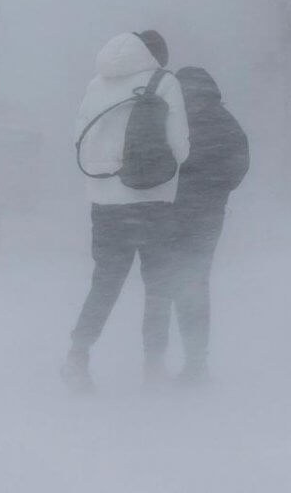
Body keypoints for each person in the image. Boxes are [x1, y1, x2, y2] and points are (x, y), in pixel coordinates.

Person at [62, 30, 189, 393]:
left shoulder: (96, 84)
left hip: (105, 204)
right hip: (153, 200)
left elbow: (79, 140)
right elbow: (180, 148)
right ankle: (153, 366)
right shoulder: (164, 82)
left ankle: (77, 356)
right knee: (158, 286)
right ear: (156, 58)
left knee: (105, 283)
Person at [168, 66, 250, 385]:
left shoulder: (175, 119)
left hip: (172, 212)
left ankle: (155, 359)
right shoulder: (226, 121)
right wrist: (217, 191)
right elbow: (240, 165)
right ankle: (195, 360)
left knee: (165, 282)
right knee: (196, 282)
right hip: (208, 217)